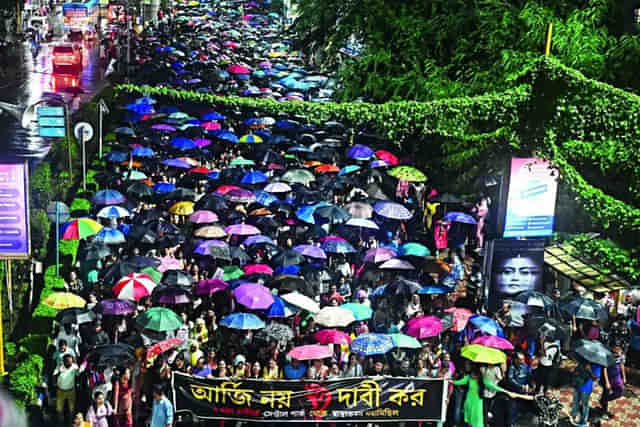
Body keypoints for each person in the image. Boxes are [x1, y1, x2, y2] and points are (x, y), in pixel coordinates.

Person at [452, 365, 518, 427]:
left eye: (473, 374)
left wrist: (507, 392)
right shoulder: (468, 378)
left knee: (477, 418)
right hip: (469, 401)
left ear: (477, 374)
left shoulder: (483, 381)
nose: (472, 375)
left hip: (478, 402)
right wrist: (451, 381)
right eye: (471, 374)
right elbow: (459, 382)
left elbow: (494, 387)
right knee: (469, 418)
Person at [570, 360, 601, 426]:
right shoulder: (584, 361)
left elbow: (595, 378)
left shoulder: (597, 366)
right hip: (578, 384)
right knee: (575, 401)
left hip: (586, 388)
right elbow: (577, 370)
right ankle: (573, 415)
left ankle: (584, 420)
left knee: (585, 404)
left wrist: (589, 369)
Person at [600, 345, 626, 420]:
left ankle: (603, 400)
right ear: (613, 348)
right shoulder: (608, 355)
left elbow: (622, 365)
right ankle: (604, 411)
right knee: (606, 392)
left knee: (619, 392)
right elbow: (604, 369)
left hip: (616, 376)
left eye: (620, 349)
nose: (618, 350)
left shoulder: (621, 355)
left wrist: (624, 377)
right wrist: (607, 382)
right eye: (617, 348)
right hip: (607, 377)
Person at [54, 354, 78, 423]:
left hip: (71, 390)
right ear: (64, 361)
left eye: (70, 360)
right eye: (67, 361)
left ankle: (71, 422)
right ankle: (60, 422)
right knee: (59, 408)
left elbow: (78, 374)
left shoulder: (75, 367)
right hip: (61, 390)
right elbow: (54, 375)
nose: (69, 362)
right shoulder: (59, 367)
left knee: (72, 408)